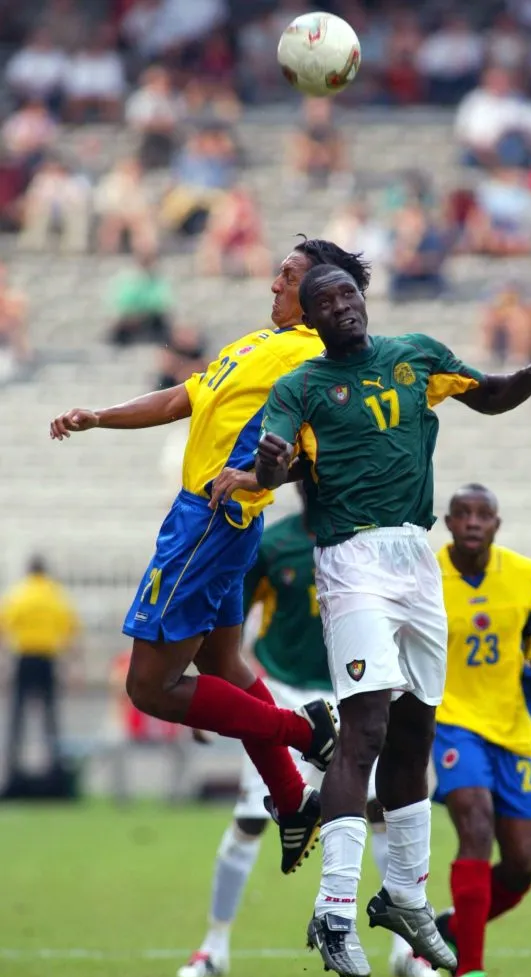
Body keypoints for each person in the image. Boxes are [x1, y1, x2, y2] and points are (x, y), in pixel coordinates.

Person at [251, 263, 531, 977]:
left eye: (348, 293)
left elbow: (491, 394)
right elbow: (271, 461)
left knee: (411, 732)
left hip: (416, 558)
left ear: (363, 299)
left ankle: (405, 899)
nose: (342, 305)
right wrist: (269, 462)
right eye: (326, 301)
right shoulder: (302, 386)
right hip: (351, 559)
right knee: (365, 728)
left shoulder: (417, 355)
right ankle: (335, 908)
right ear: (309, 319)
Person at [48, 240, 371, 875]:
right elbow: (182, 399)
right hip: (214, 522)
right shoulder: (255, 346)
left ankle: (309, 735)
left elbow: (311, 450)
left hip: (209, 522)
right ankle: (290, 798)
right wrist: (98, 417)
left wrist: (257, 476)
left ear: (319, 293)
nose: (273, 284)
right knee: (222, 662)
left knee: (149, 687)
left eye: (288, 276)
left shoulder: (311, 357)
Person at [178, 486, 438, 977]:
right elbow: (224, 622)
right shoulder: (273, 544)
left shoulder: (369, 543)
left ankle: (406, 952)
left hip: (357, 695)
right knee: (254, 818)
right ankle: (213, 947)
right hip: (285, 691)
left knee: (381, 811)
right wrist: (212, 702)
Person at [429, 485, 531, 977]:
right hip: (451, 722)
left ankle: (447, 929)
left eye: (482, 514)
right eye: (462, 514)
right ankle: (469, 973)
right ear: (447, 523)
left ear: (496, 524)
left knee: (524, 861)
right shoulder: (425, 576)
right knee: (475, 825)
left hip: (512, 727)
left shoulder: (524, 574)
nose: (472, 522)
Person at [0, 556, 81, 780]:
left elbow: (3, 629)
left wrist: (4, 663)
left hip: (24, 657)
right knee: (50, 718)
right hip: (47, 658)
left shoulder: (18, 594)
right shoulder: (55, 595)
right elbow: (70, 632)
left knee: (17, 716)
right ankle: (54, 767)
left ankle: (12, 766)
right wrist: (74, 667)